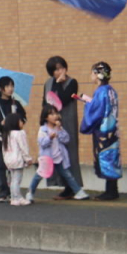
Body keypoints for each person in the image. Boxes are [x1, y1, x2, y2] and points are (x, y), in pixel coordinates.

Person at [27, 104, 89, 202]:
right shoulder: (43, 129)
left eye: (56, 113)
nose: (54, 116)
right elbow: (42, 143)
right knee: (38, 176)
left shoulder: (58, 128)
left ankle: (78, 192)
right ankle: (30, 193)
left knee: (68, 175)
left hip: (59, 158)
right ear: (46, 117)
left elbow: (66, 139)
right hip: (47, 159)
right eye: (51, 114)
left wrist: (59, 130)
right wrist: (49, 138)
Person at [79, 61, 121, 200]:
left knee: (105, 158)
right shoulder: (111, 90)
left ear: (98, 75)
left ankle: (110, 192)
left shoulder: (101, 91)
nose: (91, 75)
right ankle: (113, 190)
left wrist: (87, 104)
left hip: (103, 130)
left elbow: (95, 111)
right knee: (112, 157)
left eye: (92, 72)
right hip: (112, 130)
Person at [44, 56, 83, 197]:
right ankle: (63, 185)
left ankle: (72, 187)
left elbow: (62, 101)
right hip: (51, 124)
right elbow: (47, 104)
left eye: (61, 68)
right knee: (55, 154)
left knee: (69, 154)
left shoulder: (72, 82)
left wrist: (60, 83)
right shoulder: (48, 83)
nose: (58, 72)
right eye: (55, 70)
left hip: (67, 123)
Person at [0, 75, 27, 203]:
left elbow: (23, 119)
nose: (11, 88)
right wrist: (0, 123)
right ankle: (3, 192)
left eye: (12, 86)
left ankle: (14, 192)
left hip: (14, 141)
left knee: (14, 166)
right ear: (0, 89)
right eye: (8, 86)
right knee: (0, 167)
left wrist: (16, 122)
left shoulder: (16, 104)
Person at [0, 112, 32, 206]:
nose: (22, 122)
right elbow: (24, 147)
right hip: (17, 160)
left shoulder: (7, 134)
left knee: (13, 180)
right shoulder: (20, 133)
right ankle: (17, 198)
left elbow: (4, 150)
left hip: (9, 161)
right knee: (16, 180)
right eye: (20, 121)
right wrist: (28, 159)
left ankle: (15, 198)